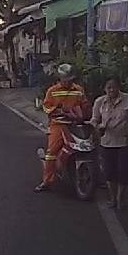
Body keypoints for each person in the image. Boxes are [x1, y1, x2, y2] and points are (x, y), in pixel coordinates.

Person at [35, 64, 91, 193]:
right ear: (60, 78)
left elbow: (84, 104)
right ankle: (47, 181)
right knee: (51, 153)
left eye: (71, 79)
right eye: (66, 80)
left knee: (89, 147)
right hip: (58, 124)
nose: (69, 82)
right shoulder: (52, 91)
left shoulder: (79, 90)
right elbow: (46, 106)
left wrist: (85, 111)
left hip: (76, 124)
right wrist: (58, 110)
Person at [91, 77, 128, 210]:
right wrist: (98, 127)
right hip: (107, 142)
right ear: (104, 89)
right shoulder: (100, 102)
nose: (111, 90)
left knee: (123, 171)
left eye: (114, 87)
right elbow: (94, 119)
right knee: (108, 171)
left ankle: (120, 198)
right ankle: (112, 198)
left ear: (119, 87)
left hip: (124, 142)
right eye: (109, 87)